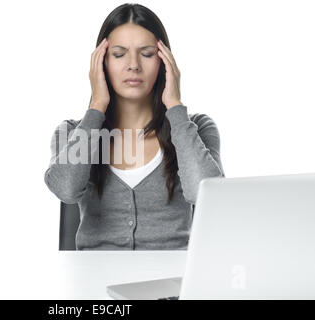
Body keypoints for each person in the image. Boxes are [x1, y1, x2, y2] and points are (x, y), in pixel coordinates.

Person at [44, 3, 225, 250]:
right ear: (101, 64)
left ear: (164, 62)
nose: (133, 65)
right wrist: (97, 105)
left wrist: (174, 105)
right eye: (119, 54)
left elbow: (206, 195)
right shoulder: (72, 132)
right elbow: (66, 189)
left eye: (147, 54)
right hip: (95, 281)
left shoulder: (197, 128)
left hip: (170, 281)